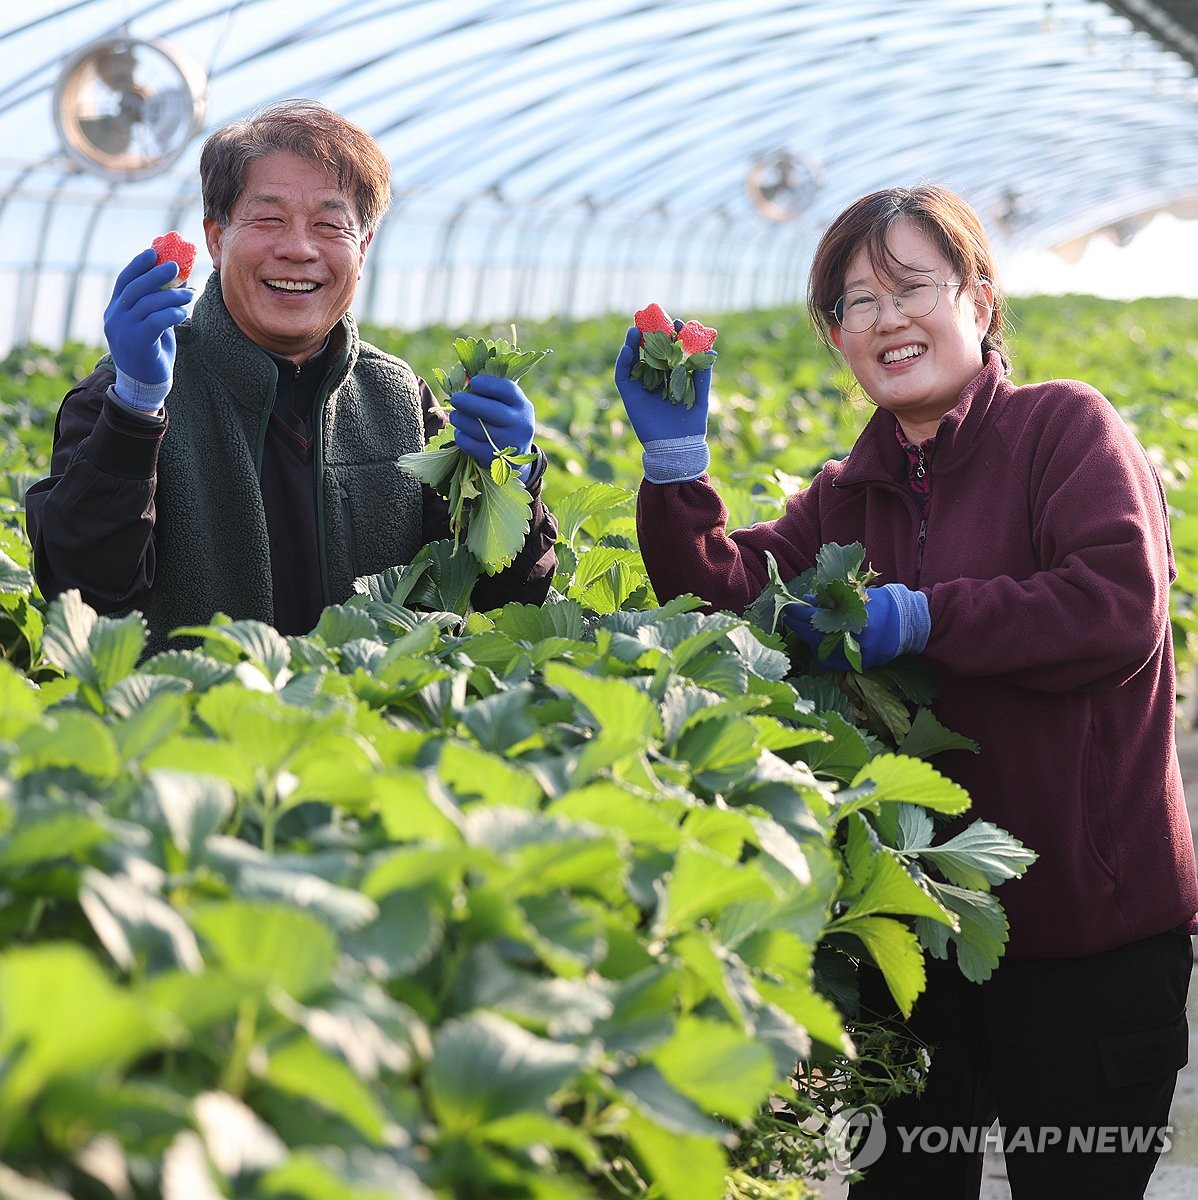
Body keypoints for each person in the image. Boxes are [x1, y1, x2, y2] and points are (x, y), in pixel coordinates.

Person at [614, 184, 1197, 1198]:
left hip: (1087, 942)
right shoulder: (845, 496)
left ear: (978, 298)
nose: (886, 321)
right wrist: (674, 469)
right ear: (835, 339)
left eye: (911, 288)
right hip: (912, 944)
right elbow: (722, 599)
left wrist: (926, 617)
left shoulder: (1064, 431)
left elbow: (1113, 607)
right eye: (855, 304)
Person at [26, 100, 557, 655]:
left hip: (377, 729)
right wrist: (132, 416)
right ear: (215, 238)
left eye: (330, 225)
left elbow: (501, 599)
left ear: (364, 248)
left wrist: (511, 477)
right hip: (190, 726)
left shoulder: (400, 403)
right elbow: (83, 594)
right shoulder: (122, 398)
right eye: (268, 219)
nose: (299, 249)